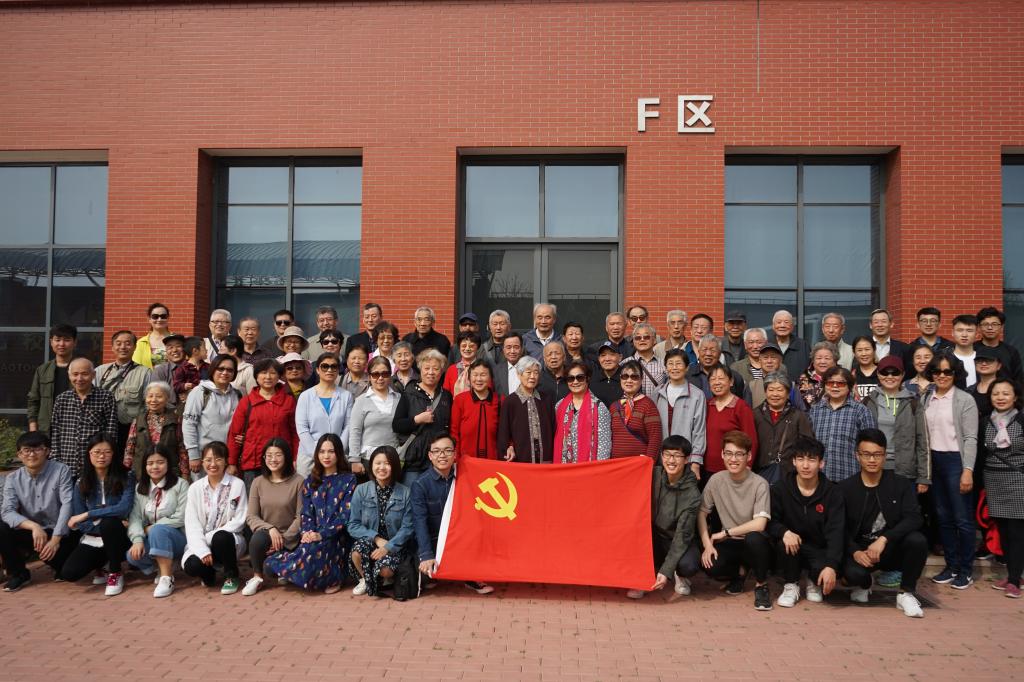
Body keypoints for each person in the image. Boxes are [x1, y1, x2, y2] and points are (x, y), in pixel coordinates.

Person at [839, 429, 928, 618]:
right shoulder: (846, 488)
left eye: (877, 454)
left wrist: (884, 539)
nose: (872, 460)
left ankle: (906, 593)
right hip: (861, 552)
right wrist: (854, 551)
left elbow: (914, 517)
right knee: (852, 576)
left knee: (917, 540)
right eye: (866, 454)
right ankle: (865, 583)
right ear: (857, 456)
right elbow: (838, 527)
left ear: (885, 456)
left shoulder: (900, 484)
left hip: (889, 548)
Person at [265, 434, 357, 594]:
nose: (326, 456)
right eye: (322, 452)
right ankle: (300, 570)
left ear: (338, 453)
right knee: (307, 550)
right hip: (313, 534)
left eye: (331, 451)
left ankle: (333, 578)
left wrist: (322, 534)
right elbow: (306, 513)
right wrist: (308, 532)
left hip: (338, 536)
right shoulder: (310, 481)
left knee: (316, 551)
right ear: (317, 454)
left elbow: (345, 516)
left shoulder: (349, 480)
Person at [697, 430, 773, 611]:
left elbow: (760, 524)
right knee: (710, 565)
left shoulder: (759, 483)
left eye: (739, 454)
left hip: (755, 543)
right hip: (730, 543)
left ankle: (761, 585)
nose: (733, 459)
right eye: (729, 453)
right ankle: (740, 573)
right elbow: (701, 513)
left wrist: (725, 532)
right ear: (722, 455)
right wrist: (707, 545)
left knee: (754, 538)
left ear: (749, 456)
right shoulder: (716, 480)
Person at [921, 352, 979, 589]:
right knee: (943, 518)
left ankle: (966, 570)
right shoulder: (926, 397)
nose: (942, 376)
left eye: (947, 371)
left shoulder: (965, 400)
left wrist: (968, 470)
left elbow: (971, 438)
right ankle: (951, 566)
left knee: (962, 519)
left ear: (955, 374)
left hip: (956, 461)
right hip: (933, 462)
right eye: (937, 371)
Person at [411, 434, 494, 594]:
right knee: (428, 576)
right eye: (437, 451)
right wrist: (426, 554)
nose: (442, 455)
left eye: (447, 450)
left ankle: (471, 577)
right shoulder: (420, 484)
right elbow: (419, 522)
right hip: (436, 539)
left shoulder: (466, 476)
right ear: (430, 456)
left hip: (462, 537)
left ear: (455, 454)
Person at [768, 436, 845, 608]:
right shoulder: (781, 488)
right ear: (794, 461)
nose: (805, 465)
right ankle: (791, 584)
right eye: (801, 459)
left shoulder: (833, 492)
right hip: (792, 547)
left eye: (811, 460)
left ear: (821, 463)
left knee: (832, 563)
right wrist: (784, 532)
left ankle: (813, 580)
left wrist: (831, 566)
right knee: (783, 543)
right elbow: (770, 521)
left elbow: (836, 531)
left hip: (819, 549)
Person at [0, 432, 76, 591]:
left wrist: (55, 540)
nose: (32, 454)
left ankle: (59, 564)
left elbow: (67, 504)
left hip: (61, 532)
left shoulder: (61, 470)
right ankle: (19, 574)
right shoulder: (13, 479)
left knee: (68, 571)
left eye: (37, 449)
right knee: (2, 527)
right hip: (35, 534)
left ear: (47, 451)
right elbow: (7, 511)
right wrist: (34, 526)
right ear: (19, 454)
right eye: (26, 450)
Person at [60, 435, 134, 596]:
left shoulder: (126, 476)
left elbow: (123, 508)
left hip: (122, 537)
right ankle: (102, 564)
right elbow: (80, 522)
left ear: (114, 454)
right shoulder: (81, 482)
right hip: (94, 538)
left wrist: (89, 514)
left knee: (110, 523)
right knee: (69, 573)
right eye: (97, 452)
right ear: (89, 454)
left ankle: (115, 572)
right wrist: (99, 526)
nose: (101, 456)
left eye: (107, 452)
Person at [628, 436, 702, 599]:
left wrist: (666, 571)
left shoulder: (693, 494)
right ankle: (642, 579)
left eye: (677, 456)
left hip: (676, 538)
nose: (671, 460)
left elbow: (682, 535)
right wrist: (636, 464)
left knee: (688, 565)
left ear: (686, 459)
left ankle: (679, 575)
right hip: (652, 536)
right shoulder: (652, 474)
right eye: (667, 454)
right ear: (661, 456)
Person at [182, 441, 248, 595]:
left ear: (226, 461)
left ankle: (231, 575)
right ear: (202, 462)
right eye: (208, 460)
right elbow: (192, 524)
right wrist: (202, 550)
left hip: (228, 542)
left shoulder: (237, 485)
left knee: (221, 537)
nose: (213, 464)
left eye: (218, 459)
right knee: (191, 565)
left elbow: (240, 519)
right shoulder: (195, 488)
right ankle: (209, 575)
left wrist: (209, 537)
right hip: (201, 542)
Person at [348, 446, 415, 596]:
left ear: (394, 466)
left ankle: (383, 576)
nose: (382, 467)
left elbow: (408, 528)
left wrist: (387, 547)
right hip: (371, 541)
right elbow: (353, 525)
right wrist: (377, 539)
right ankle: (365, 579)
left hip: (395, 544)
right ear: (371, 465)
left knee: (386, 571)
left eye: (387, 463)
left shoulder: (406, 493)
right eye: (378, 463)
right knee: (357, 552)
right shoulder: (361, 490)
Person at [125, 445, 189, 598]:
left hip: (178, 538)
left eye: (160, 462)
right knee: (132, 556)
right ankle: (162, 566)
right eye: (150, 463)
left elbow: (181, 517)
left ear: (168, 463)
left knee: (158, 530)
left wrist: (153, 527)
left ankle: (166, 578)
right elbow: (135, 518)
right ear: (144, 466)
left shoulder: (181, 484)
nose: (155, 467)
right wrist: (137, 540)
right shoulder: (140, 488)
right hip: (152, 537)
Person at [242, 438, 303, 596]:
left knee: (271, 569)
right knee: (257, 539)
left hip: (292, 537)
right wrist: (271, 529)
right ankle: (257, 577)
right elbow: (251, 516)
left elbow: (300, 516)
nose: (273, 459)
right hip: (268, 534)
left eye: (278, 455)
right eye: (269, 455)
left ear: (287, 457)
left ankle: (283, 568)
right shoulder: (258, 482)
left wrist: (283, 539)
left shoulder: (299, 481)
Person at [227, 358, 300, 490]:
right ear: (256, 376)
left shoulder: (288, 401)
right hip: (253, 463)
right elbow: (234, 434)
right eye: (263, 372)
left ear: (279, 376)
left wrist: (295, 458)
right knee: (254, 499)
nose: (268, 377)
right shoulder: (246, 402)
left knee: (282, 500)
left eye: (272, 373)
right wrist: (231, 462)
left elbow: (295, 433)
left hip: (282, 462)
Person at [861, 356, 930, 491]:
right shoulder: (868, 401)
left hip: (904, 470)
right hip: (873, 468)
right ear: (878, 374)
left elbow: (923, 441)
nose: (890, 377)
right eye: (885, 372)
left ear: (903, 375)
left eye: (895, 373)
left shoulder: (913, 402)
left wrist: (924, 477)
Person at [982, 378, 1024, 598]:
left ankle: (1015, 580)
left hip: (1017, 479)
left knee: (1017, 532)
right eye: (996, 393)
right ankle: (1012, 574)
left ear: (1015, 396)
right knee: (1004, 531)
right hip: (993, 480)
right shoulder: (985, 421)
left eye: (1006, 393)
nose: (1000, 398)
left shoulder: (1021, 419)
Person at [393, 349, 454, 487]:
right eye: (427, 368)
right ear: (420, 370)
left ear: (441, 371)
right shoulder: (409, 393)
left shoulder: (446, 396)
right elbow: (397, 425)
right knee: (412, 495)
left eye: (435, 369)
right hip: (414, 460)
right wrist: (417, 420)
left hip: (439, 459)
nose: (431, 372)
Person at [50, 358, 119, 479]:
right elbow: (55, 432)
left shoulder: (106, 397)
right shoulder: (62, 399)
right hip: (66, 465)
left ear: (93, 375)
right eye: (75, 374)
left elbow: (111, 432)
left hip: (95, 465)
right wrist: (56, 460)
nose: (79, 378)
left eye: (84, 374)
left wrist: (106, 460)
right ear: (69, 375)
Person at [809, 366, 877, 483]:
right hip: (819, 478)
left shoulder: (861, 411)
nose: (835, 386)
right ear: (825, 385)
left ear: (849, 387)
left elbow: (871, 446)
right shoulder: (815, 410)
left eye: (840, 383)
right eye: (830, 383)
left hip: (850, 476)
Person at [182, 354, 242, 480]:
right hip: (204, 457)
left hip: (228, 458)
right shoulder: (200, 392)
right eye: (221, 369)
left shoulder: (237, 394)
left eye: (230, 370)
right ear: (213, 369)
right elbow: (189, 424)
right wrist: (193, 455)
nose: (225, 373)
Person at [296, 352, 353, 477]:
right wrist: (317, 453)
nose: (329, 370)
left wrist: (337, 450)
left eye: (334, 366)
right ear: (317, 370)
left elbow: (348, 426)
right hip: (309, 458)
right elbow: (302, 429)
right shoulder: (305, 396)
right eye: (325, 366)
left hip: (337, 457)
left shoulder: (346, 396)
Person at [95, 330, 151, 456]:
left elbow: (148, 405)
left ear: (135, 347)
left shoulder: (145, 373)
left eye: (127, 343)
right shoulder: (99, 371)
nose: (123, 347)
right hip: (102, 429)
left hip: (130, 430)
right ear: (112, 347)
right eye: (118, 343)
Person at [753, 373, 814, 485]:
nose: (775, 394)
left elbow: (807, 445)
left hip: (788, 474)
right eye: (771, 390)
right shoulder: (755, 414)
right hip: (758, 473)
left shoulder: (798, 416)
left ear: (788, 393)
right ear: (765, 392)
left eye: (780, 390)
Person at [698, 364, 757, 478]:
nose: (717, 382)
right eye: (713, 379)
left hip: (732, 468)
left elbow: (751, 440)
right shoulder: (706, 405)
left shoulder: (741, 407)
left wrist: (748, 466)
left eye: (721, 378)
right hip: (706, 469)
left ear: (731, 382)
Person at [497, 356, 556, 463]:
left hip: (546, 460)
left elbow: (554, 429)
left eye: (536, 373)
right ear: (519, 374)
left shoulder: (546, 400)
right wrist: (509, 447)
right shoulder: (510, 402)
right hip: (521, 460)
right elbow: (504, 433)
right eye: (528, 372)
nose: (532, 376)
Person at [123, 381, 188, 478]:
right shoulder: (138, 419)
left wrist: (185, 472)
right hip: (142, 471)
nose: (153, 400)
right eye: (150, 396)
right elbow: (130, 446)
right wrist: (126, 469)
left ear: (167, 398)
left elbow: (182, 447)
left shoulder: (175, 419)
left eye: (159, 396)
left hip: (169, 471)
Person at [348, 356, 402, 473]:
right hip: (368, 460)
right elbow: (355, 431)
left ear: (390, 375)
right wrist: (354, 459)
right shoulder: (361, 400)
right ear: (369, 376)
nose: (380, 378)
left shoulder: (399, 398)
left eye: (385, 374)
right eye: (375, 374)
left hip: (393, 458)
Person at [654, 349, 706, 464]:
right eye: (670, 364)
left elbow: (699, 430)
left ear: (687, 368)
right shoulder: (657, 393)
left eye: (678, 363)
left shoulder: (697, 395)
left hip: (685, 457)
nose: (674, 368)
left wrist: (696, 460)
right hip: (662, 458)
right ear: (665, 367)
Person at [553, 361, 611, 463]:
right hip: (563, 467)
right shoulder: (560, 406)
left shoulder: (599, 407)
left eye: (580, 377)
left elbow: (604, 445)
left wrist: (599, 468)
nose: (575, 382)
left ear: (587, 379)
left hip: (588, 467)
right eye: (571, 378)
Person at [27, 323, 78, 435]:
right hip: (46, 429)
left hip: (75, 429)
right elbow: (33, 400)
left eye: (67, 340)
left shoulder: (83, 369)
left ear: (75, 343)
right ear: (51, 342)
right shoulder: (42, 370)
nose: (61, 344)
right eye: (57, 340)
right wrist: (33, 428)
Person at [608, 359, 663, 459]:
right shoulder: (614, 407)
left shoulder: (648, 405)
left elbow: (655, 438)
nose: (629, 380)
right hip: (616, 463)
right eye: (625, 376)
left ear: (641, 380)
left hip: (639, 464)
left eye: (634, 377)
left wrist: (649, 461)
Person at [450, 359, 502, 460]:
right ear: (469, 378)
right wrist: (456, 456)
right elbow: (454, 431)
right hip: (466, 460)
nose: (479, 379)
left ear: (490, 378)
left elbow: (505, 431)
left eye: (483, 375)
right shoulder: (460, 400)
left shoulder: (500, 400)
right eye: (475, 375)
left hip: (493, 460)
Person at [687, 335, 750, 403]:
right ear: (698, 352)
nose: (708, 354)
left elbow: (740, 402)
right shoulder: (688, 374)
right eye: (704, 349)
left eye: (713, 350)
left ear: (720, 353)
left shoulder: (733, 376)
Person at [975, 306, 1024, 383]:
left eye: (994, 324)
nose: (990, 328)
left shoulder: (1011, 352)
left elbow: (1018, 380)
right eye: (985, 324)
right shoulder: (972, 349)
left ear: (1002, 327)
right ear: (979, 327)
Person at [731, 327, 768, 407]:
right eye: (751, 342)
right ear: (745, 345)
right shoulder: (736, 367)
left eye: (759, 342)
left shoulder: (776, 366)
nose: (755, 346)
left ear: (766, 343)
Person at [769, 310, 810, 382]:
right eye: (779, 322)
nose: (782, 325)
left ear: (792, 326)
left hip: (798, 387)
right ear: (773, 326)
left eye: (786, 322)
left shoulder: (803, 346)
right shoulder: (767, 345)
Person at [628, 322, 666, 397]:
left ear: (654, 340)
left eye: (646, 337)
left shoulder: (664, 364)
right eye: (638, 338)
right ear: (634, 341)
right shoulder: (625, 363)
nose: (642, 340)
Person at [150, 334, 188, 407]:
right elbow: (156, 396)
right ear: (166, 351)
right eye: (170, 347)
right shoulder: (160, 371)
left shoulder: (193, 368)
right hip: (168, 411)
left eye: (178, 346)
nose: (174, 350)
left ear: (184, 348)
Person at [798, 341, 838, 410]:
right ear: (813, 361)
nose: (822, 362)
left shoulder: (844, 379)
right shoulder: (802, 380)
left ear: (835, 361)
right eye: (819, 358)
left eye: (827, 358)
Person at [132, 303, 174, 368]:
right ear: (149, 319)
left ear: (168, 318)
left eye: (163, 316)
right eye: (155, 316)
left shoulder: (177, 340)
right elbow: (135, 366)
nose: (159, 319)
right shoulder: (141, 343)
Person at [443, 331, 482, 396]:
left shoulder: (483, 369)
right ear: (459, 347)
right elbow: (445, 394)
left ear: (477, 348)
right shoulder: (451, 369)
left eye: (471, 346)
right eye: (464, 346)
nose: (467, 349)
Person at [172, 336, 209, 401]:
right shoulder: (182, 368)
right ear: (195, 351)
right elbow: (176, 385)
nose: (207, 350)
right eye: (204, 348)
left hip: (206, 400)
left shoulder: (208, 367)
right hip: (189, 401)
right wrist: (184, 386)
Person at [590, 341, 624, 408]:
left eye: (612, 354)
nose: (607, 359)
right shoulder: (592, 379)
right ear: (599, 359)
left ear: (620, 357)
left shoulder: (627, 378)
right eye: (603, 355)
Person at [951, 314, 979, 388]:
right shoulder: (945, 357)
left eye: (969, 331)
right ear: (952, 333)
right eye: (960, 330)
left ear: (976, 334)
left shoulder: (983, 358)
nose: (964, 335)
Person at [492, 333, 524, 397]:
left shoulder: (529, 369)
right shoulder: (495, 371)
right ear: (503, 350)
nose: (512, 351)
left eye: (516, 347)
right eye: (508, 347)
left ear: (522, 349)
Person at [851, 336, 879, 400]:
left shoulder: (883, 373)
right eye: (859, 350)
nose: (864, 354)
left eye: (867, 349)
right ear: (854, 353)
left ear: (874, 350)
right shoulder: (851, 376)